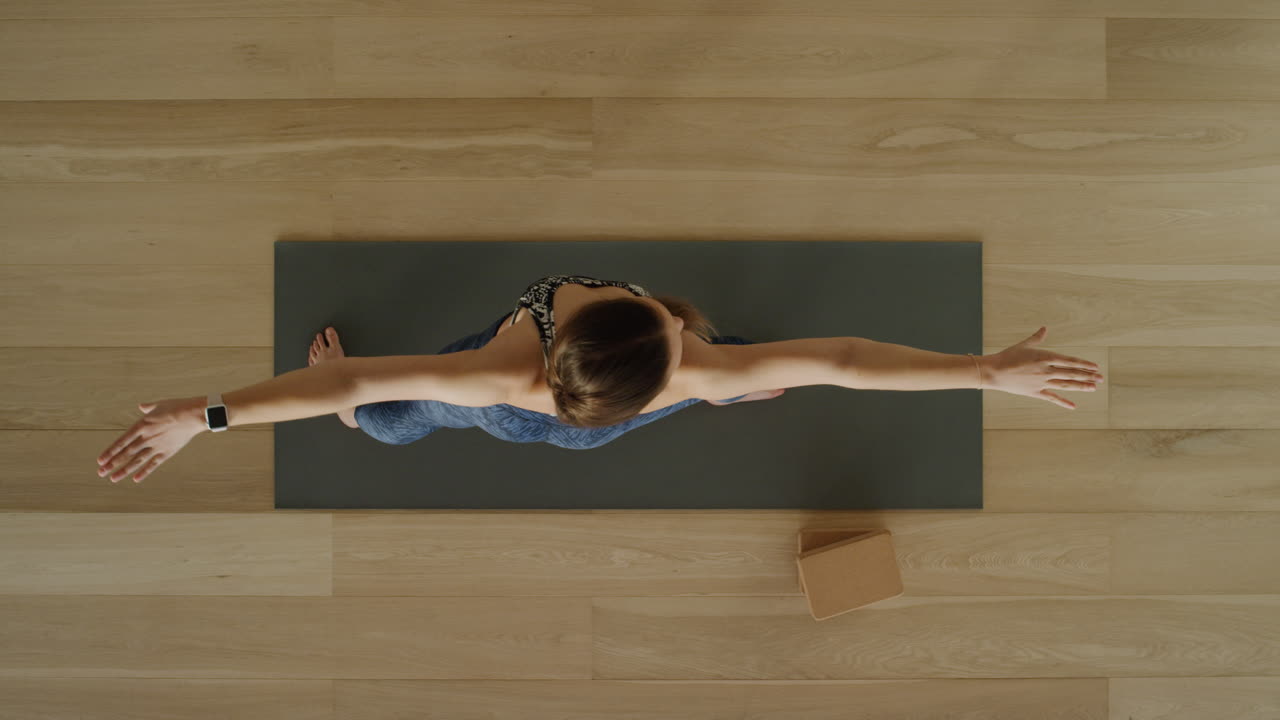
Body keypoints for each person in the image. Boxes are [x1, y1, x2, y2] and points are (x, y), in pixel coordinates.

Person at [95, 274, 1103, 483]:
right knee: (388, 421)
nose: (678, 329)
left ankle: (727, 390)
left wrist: (984, 371)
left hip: (591, 414)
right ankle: (729, 391)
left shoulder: (668, 355)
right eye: (675, 339)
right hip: (566, 422)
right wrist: (206, 416)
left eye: (670, 335)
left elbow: (846, 360)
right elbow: (339, 387)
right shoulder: (499, 380)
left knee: (385, 403)